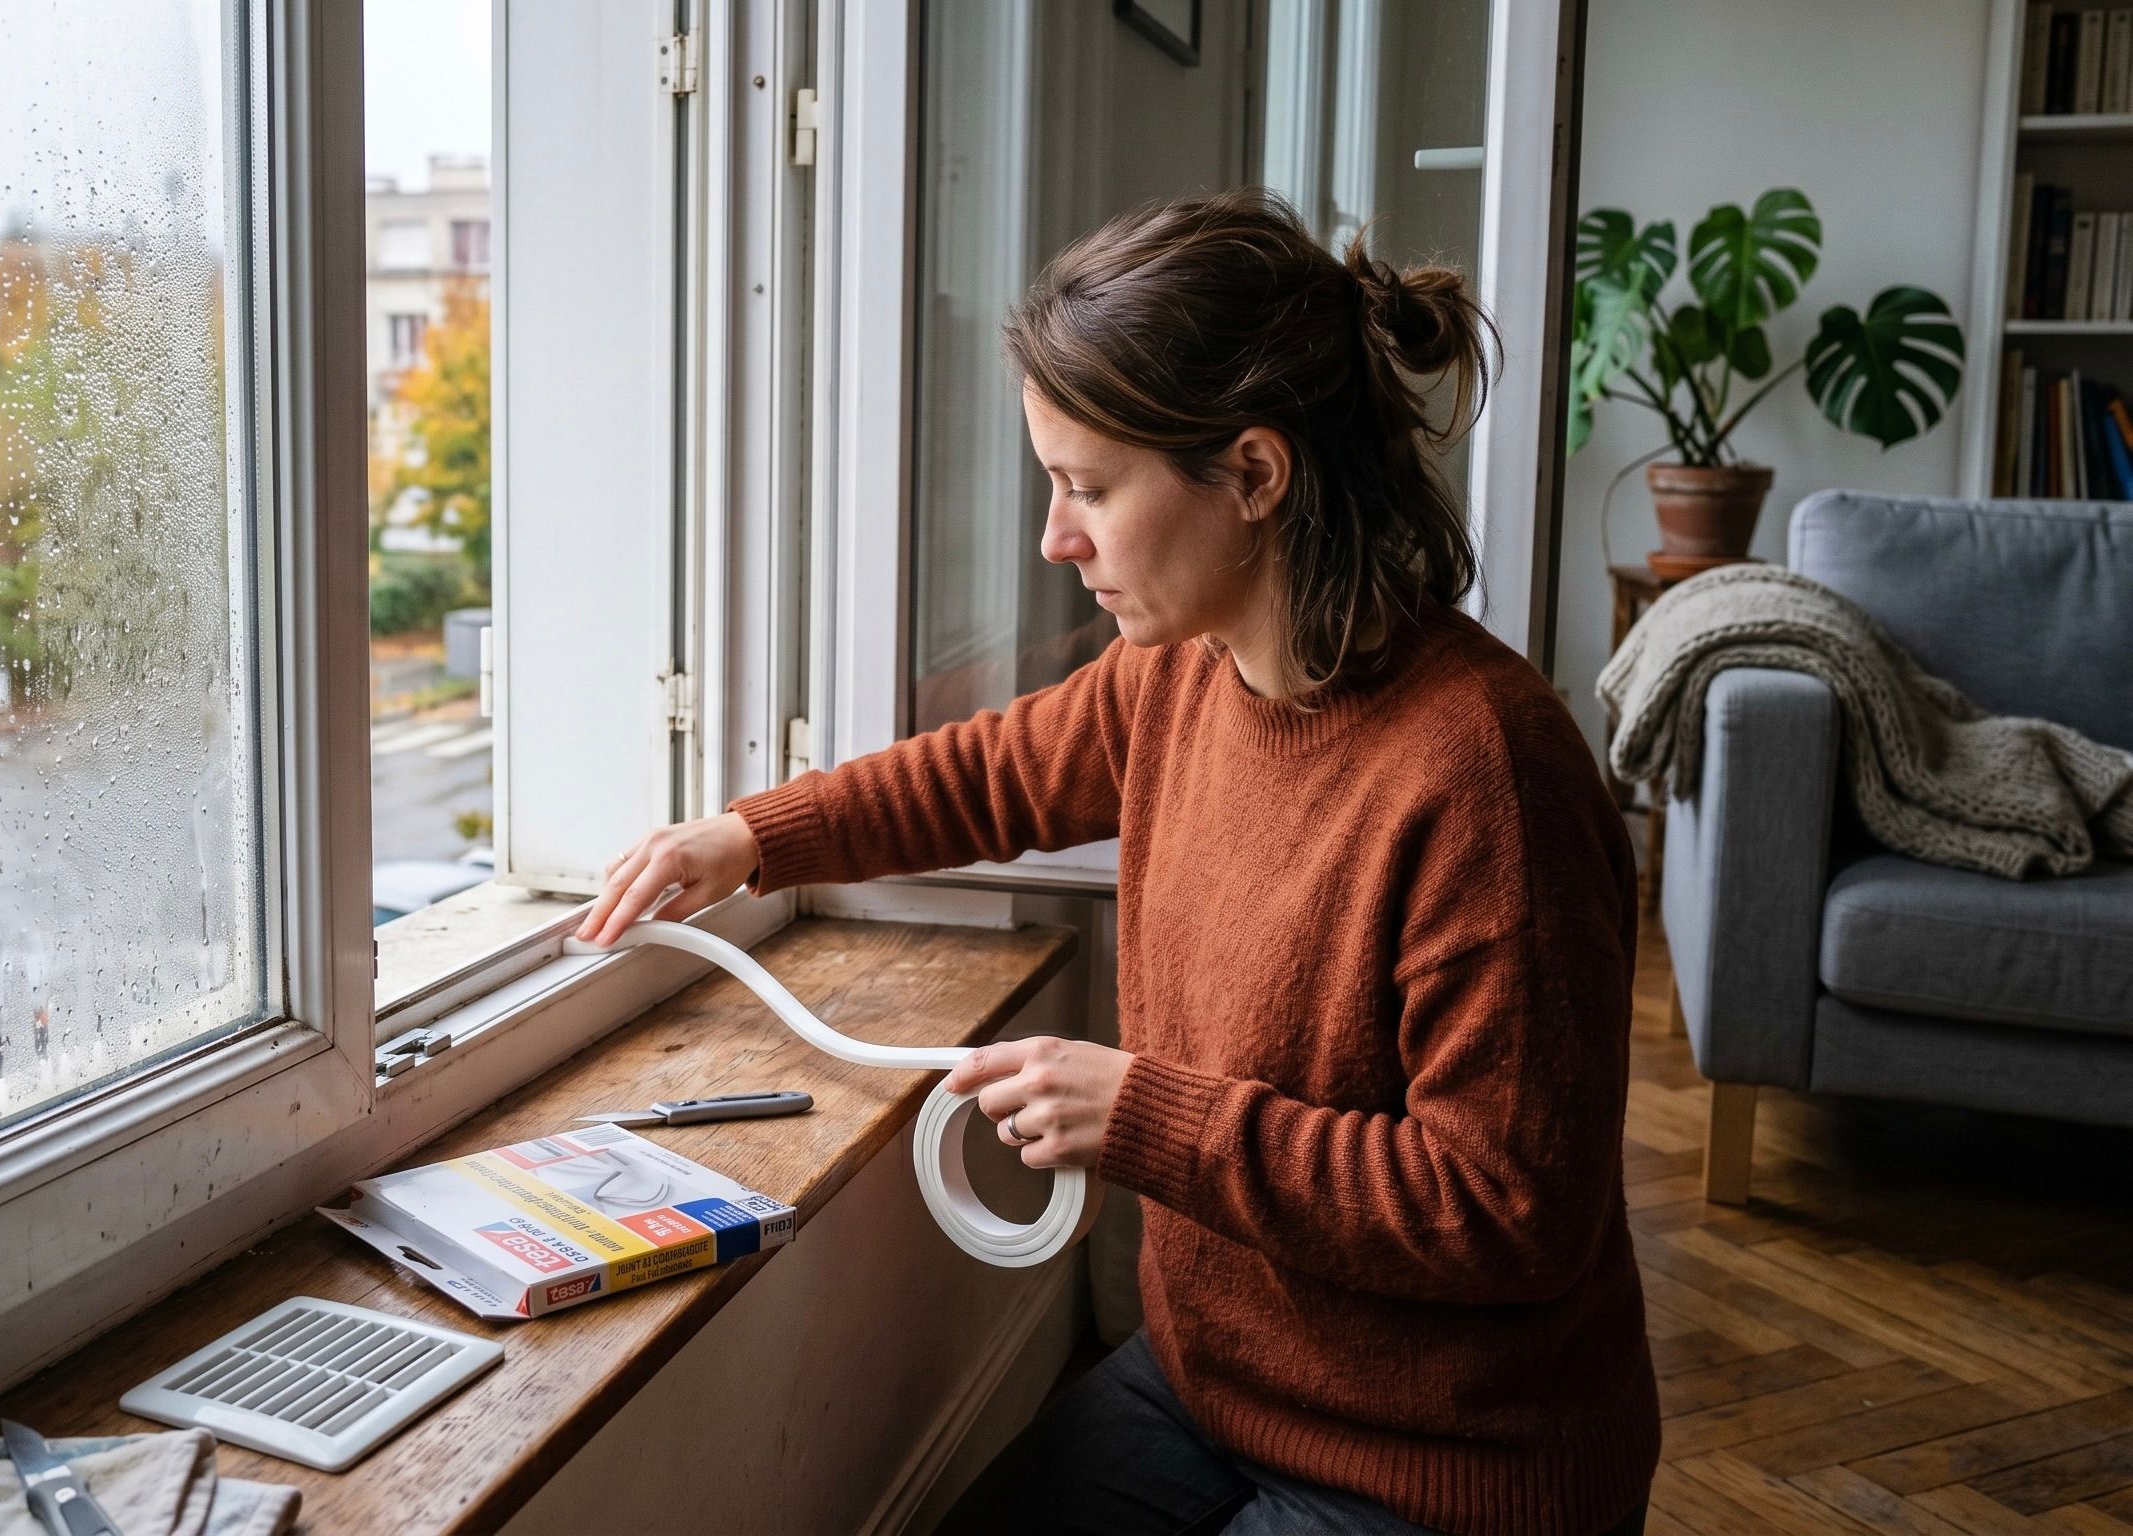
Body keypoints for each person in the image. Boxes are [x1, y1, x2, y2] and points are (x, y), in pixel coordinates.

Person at [574, 189, 1655, 1536]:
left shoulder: (1486, 777)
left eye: (1089, 487)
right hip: (1219, 1391)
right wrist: (750, 835)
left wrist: (1150, 1120)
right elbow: (985, 774)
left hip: (1452, 1469)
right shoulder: (1179, 675)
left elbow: (1504, 1212)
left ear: (1255, 477)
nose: (1054, 537)